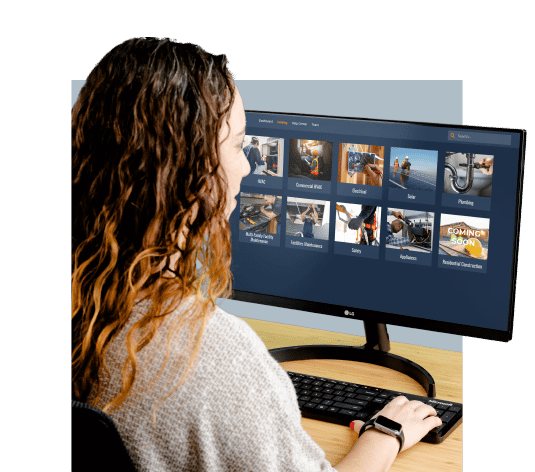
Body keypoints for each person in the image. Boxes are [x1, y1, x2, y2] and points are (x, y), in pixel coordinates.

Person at [72, 37, 441, 472]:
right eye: (237, 145)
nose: (247, 167)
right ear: (189, 168)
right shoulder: (213, 353)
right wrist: (386, 434)